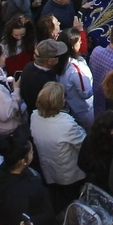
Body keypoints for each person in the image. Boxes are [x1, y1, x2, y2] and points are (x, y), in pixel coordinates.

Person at [30, 82, 86, 212]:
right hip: (68, 172)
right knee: (70, 199)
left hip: (49, 168)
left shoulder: (34, 116)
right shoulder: (66, 123)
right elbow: (82, 143)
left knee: (57, 196)